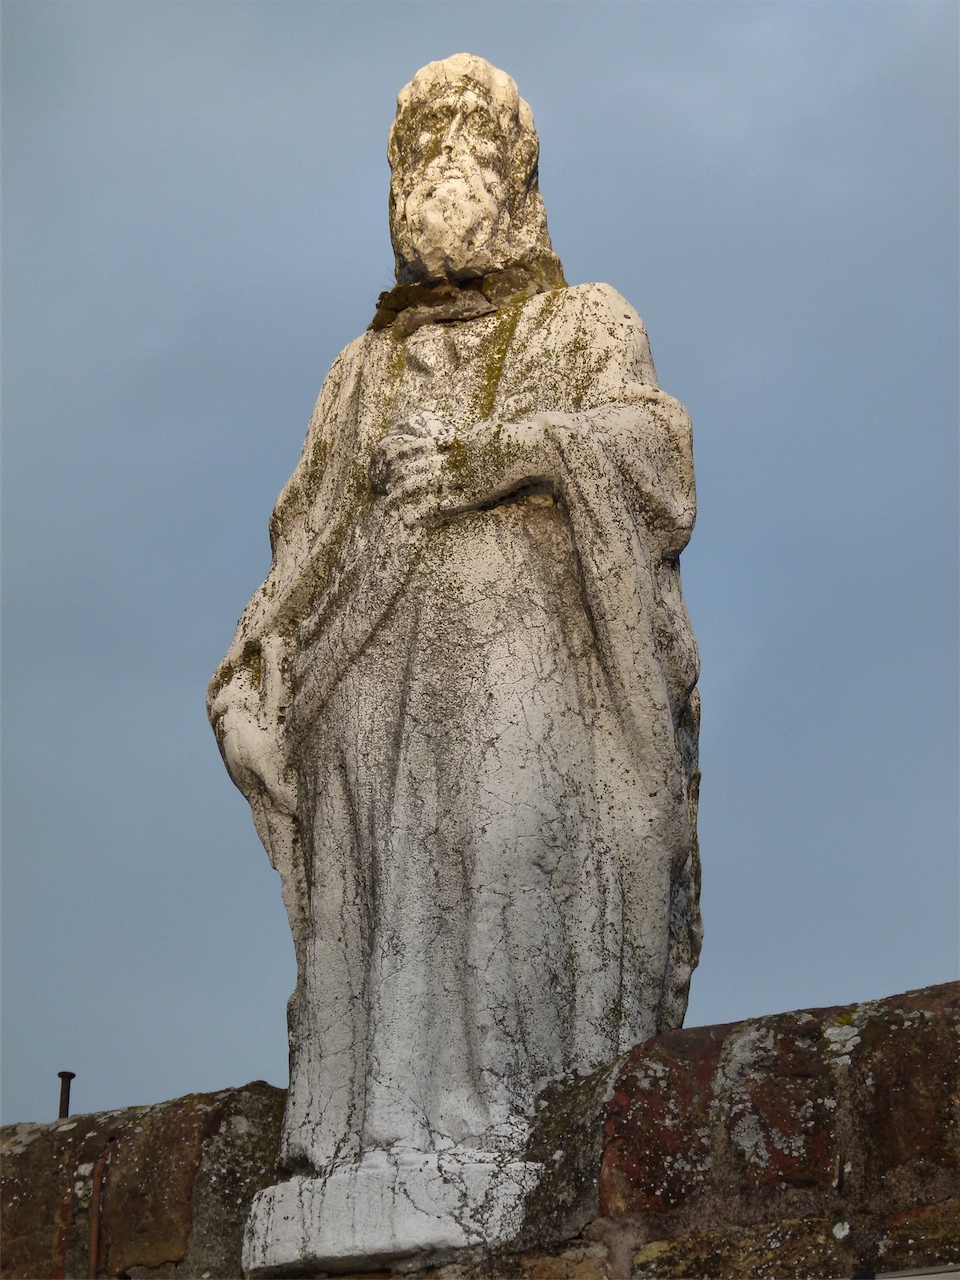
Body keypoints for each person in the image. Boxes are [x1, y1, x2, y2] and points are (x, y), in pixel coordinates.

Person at [209, 51, 701, 1265]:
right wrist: (245, 688)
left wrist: (510, 454)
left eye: (460, 149)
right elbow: (296, 559)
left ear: (515, 176)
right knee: (388, 900)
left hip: (524, 697)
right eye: (413, 156)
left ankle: (519, 1127)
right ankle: (357, 1140)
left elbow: (657, 455)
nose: (432, 175)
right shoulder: (359, 371)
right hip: (364, 717)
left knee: (498, 865)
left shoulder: (587, 321)